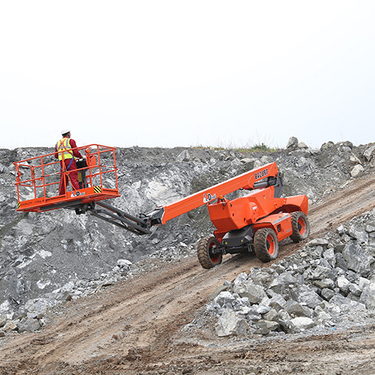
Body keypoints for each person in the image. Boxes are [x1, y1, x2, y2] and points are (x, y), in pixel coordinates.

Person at [55, 129, 83, 195]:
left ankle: (61, 194)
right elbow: (75, 152)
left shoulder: (58, 143)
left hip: (62, 162)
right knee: (73, 176)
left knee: (63, 178)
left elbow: (56, 155)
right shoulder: (71, 141)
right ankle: (77, 192)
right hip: (70, 161)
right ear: (68, 134)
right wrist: (81, 157)